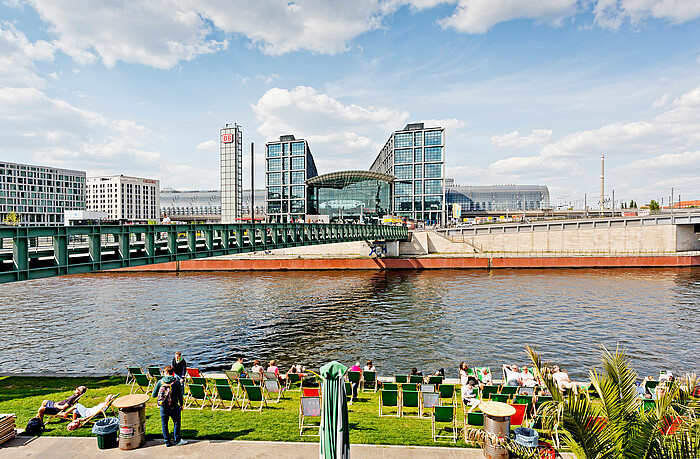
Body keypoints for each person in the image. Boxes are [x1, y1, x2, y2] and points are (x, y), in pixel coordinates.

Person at [152, 365, 186, 447]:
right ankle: (177, 440)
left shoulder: (160, 382)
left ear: (166, 372)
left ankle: (167, 442)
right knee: (176, 422)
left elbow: (153, 395)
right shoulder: (176, 382)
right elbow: (180, 396)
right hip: (174, 406)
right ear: (173, 373)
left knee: (164, 424)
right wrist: (181, 405)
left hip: (163, 407)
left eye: (163, 372)